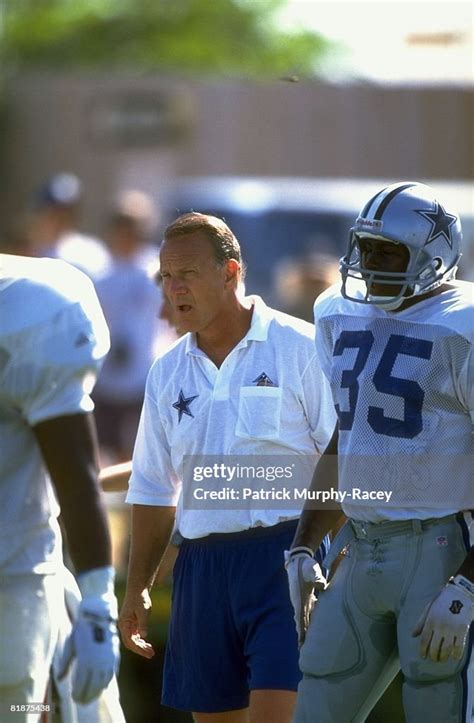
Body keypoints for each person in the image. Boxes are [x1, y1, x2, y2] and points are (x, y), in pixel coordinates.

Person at [118, 212, 337, 722]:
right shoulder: (166, 370)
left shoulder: (301, 348)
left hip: (286, 559)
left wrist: (328, 552)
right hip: (201, 571)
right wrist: (137, 587)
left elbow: (344, 456)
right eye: (166, 276)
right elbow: (152, 486)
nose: (174, 289)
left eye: (187, 274)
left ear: (231, 272)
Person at [286, 181, 474, 722]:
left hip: (442, 552)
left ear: (434, 255)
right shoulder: (337, 312)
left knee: (438, 703)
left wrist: (467, 583)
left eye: (389, 252)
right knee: (316, 707)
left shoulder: (461, 325)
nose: (370, 265)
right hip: (361, 550)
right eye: (365, 250)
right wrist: (303, 546)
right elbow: (349, 435)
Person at [0, 253, 121, 722]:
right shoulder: (33, 306)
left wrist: (95, 601)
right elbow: (76, 476)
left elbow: (76, 477)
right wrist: (96, 602)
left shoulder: (30, 306)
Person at [93, 189, 175, 462]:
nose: (127, 232)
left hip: (144, 374)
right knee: (103, 450)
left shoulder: (158, 268)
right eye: (121, 224)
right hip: (105, 375)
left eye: (133, 225)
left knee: (139, 451)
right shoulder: (99, 271)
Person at [25, 172, 111, 280]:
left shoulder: (90, 253)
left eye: (67, 212)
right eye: (53, 212)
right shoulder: (21, 250)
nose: (59, 219)